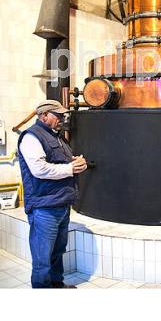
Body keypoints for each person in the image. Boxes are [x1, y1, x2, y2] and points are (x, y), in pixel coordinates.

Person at [18, 100, 87, 289]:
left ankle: (57, 285)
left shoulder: (56, 137)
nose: (61, 118)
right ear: (44, 116)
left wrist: (75, 162)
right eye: (57, 115)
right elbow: (39, 169)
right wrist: (70, 168)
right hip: (44, 207)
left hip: (62, 204)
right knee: (43, 257)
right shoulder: (31, 137)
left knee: (57, 251)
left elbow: (58, 161)